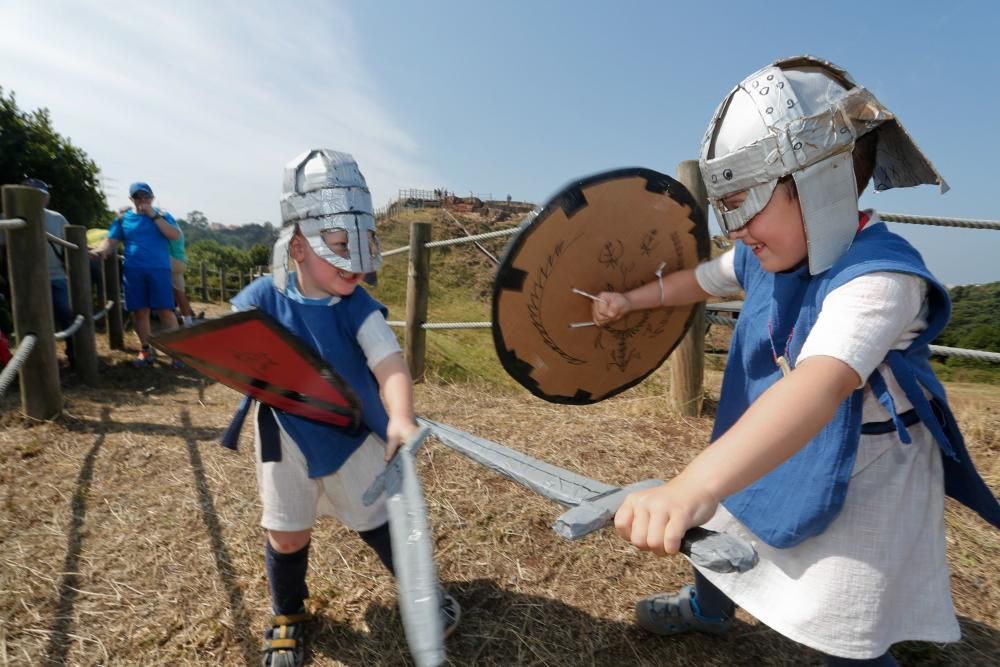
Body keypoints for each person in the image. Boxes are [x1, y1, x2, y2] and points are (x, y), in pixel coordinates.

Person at [593, 56, 1000, 665]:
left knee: (844, 615)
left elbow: (817, 385)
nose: (737, 230)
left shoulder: (879, 280)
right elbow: (701, 281)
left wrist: (692, 485)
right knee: (726, 518)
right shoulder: (765, 253)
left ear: (823, 181)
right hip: (776, 434)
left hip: (866, 469)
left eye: (746, 203)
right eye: (726, 207)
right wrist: (631, 299)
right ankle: (710, 610)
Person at [227, 150, 459, 667]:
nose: (355, 260)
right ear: (300, 246)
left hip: (351, 434)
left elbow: (390, 364)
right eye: (338, 245)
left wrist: (399, 415)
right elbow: (233, 341)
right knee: (286, 535)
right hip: (284, 438)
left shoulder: (356, 306)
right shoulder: (264, 297)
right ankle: (288, 613)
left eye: (364, 243)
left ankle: (420, 594)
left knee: (378, 519)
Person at [91, 182, 181, 367]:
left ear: (152, 197)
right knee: (140, 311)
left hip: (160, 269)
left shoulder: (163, 215)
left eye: (146, 196)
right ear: (131, 199)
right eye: (138, 197)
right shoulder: (123, 219)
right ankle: (146, 350)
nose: (142, 200)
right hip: (133, 269)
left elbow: (174, 235)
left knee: (166, 311)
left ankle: (176, 353)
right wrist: (100, 251)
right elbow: (111, 240)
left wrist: (153, 215)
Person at [19, 178, 74, 365]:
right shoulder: (8, 216)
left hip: (56, 276)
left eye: (41, 195)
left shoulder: (57, 218)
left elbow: (71, 245)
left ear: (46, 198)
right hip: (23, 279)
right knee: (29, 319)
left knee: (66, 313)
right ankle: (33, 361)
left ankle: (74, 355)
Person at [168, 227, 196, 326]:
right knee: (180, 293)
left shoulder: (163, 227)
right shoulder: (175, 227)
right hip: (181, 260)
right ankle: (188, 321)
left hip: (170, 260)